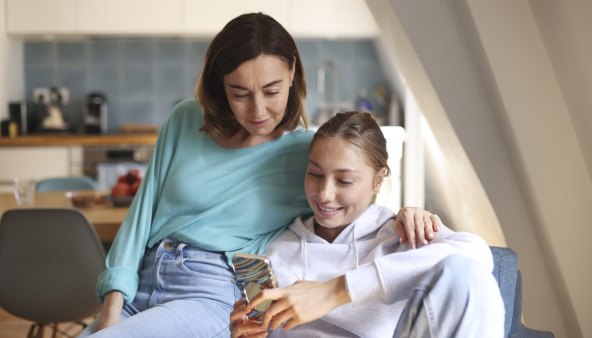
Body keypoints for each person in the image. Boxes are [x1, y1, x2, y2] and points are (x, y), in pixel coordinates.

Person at [80, 13, 440, 338]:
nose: (257, 111)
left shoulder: (306, 155)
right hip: (142, 281)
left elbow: (355, 195)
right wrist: (111, 310)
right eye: (240, 94)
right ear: (220, 85)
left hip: (211, 293)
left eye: (272, 91)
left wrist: (407, 214)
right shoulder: (185, 120)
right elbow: (138, 223)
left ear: (292, 73)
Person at [230, 111, 505, 338]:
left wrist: (337, 290)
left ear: (377, 180)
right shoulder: (278, 251)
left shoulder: (403, 235)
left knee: (467, 275)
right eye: (315, 174)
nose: (324, 194)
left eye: (344, 180)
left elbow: (477, 255)